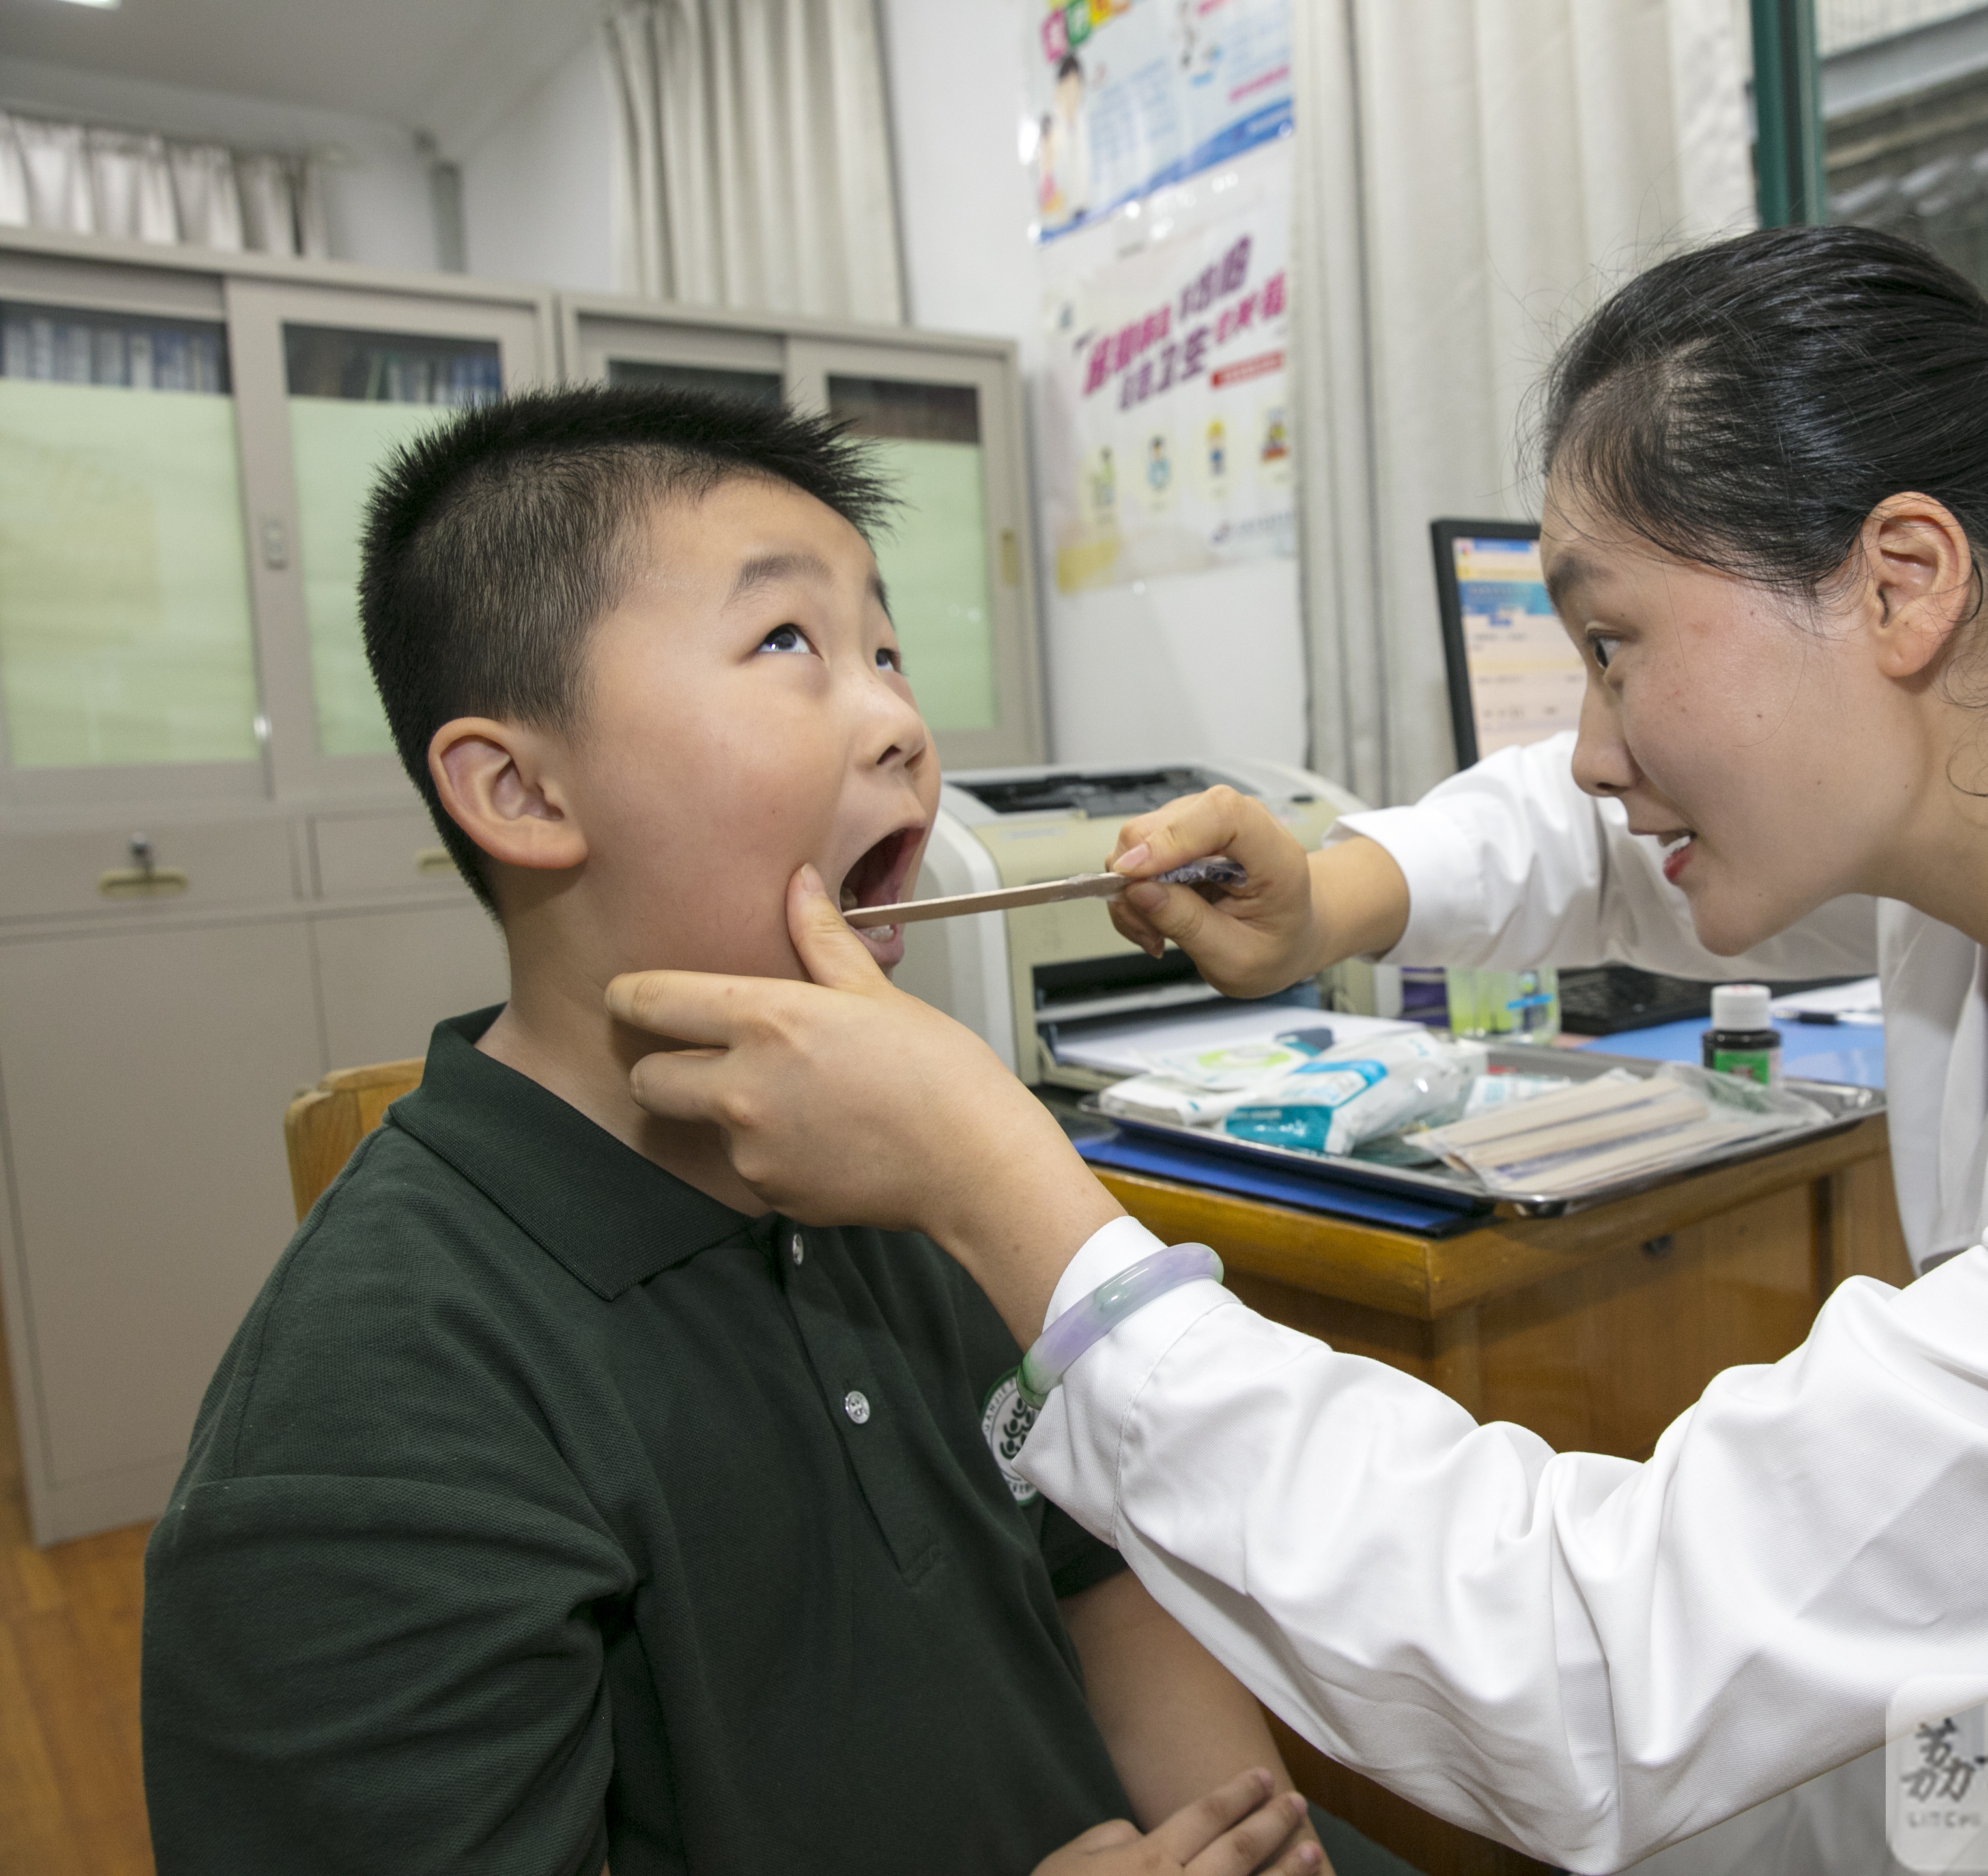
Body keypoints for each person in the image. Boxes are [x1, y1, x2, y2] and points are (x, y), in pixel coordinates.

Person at [606, 229, 1988, 1873]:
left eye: (1611, 641)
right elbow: (1631, 849)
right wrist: (1340, 893)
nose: (1590, 740)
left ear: (1901, 582)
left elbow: (1605, 1666)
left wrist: (1008, 1189)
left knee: (1723, 1753)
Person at [137, 388, 1397, 1876]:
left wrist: (1241, 1842)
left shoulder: (898, 1174)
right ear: (520, 789)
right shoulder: (364, 1429)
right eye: (788, 643)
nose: (906, 725)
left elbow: (1096, 1570)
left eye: (886, 650)